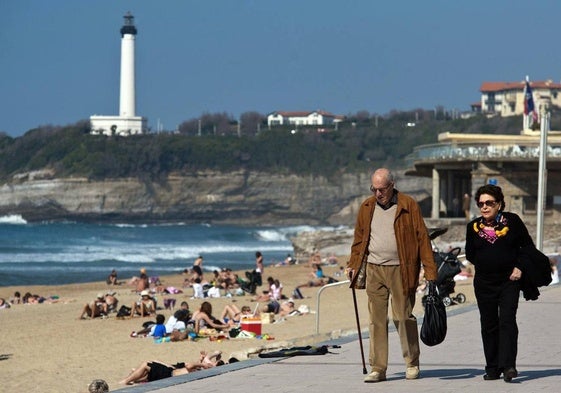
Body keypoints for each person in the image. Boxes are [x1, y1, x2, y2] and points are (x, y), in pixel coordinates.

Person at [346, 168, 437, 383]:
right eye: (374, 189)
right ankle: (378, 368)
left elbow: (422, 239)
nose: (378, 193)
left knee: (403, 316)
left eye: (382, 189)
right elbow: (359, 240)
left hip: (402, 268)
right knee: (377, 320)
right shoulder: (367, 207)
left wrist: (430, 271)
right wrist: (352, 265)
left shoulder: (408, 205)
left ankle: (412, 362)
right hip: (374, 269)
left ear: (392, 185)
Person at [465, 184, 533, 383]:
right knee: (488, 325)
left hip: (508, 281)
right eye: (481, 204)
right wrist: (487, 264)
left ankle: (508, 366)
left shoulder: (512, 221)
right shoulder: (473, 227)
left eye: (489, 203)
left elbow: (527, 246)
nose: (485, 207)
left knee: (507, 321)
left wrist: (519, 267)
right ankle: (492, 368)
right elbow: (470, 253)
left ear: (499, 204)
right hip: (484, 283)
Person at [119, 350, 224, 385]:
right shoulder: (206, 368)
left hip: (169, 375)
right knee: (151, 366)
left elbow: (189, 366)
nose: (213, 362)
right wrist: (215, 355)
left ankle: (126, 380)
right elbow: (210, 355)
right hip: (171, 373)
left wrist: (202, 363)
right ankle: (134, 378)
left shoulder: (206, 368)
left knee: (146, 364)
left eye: (216, 363)